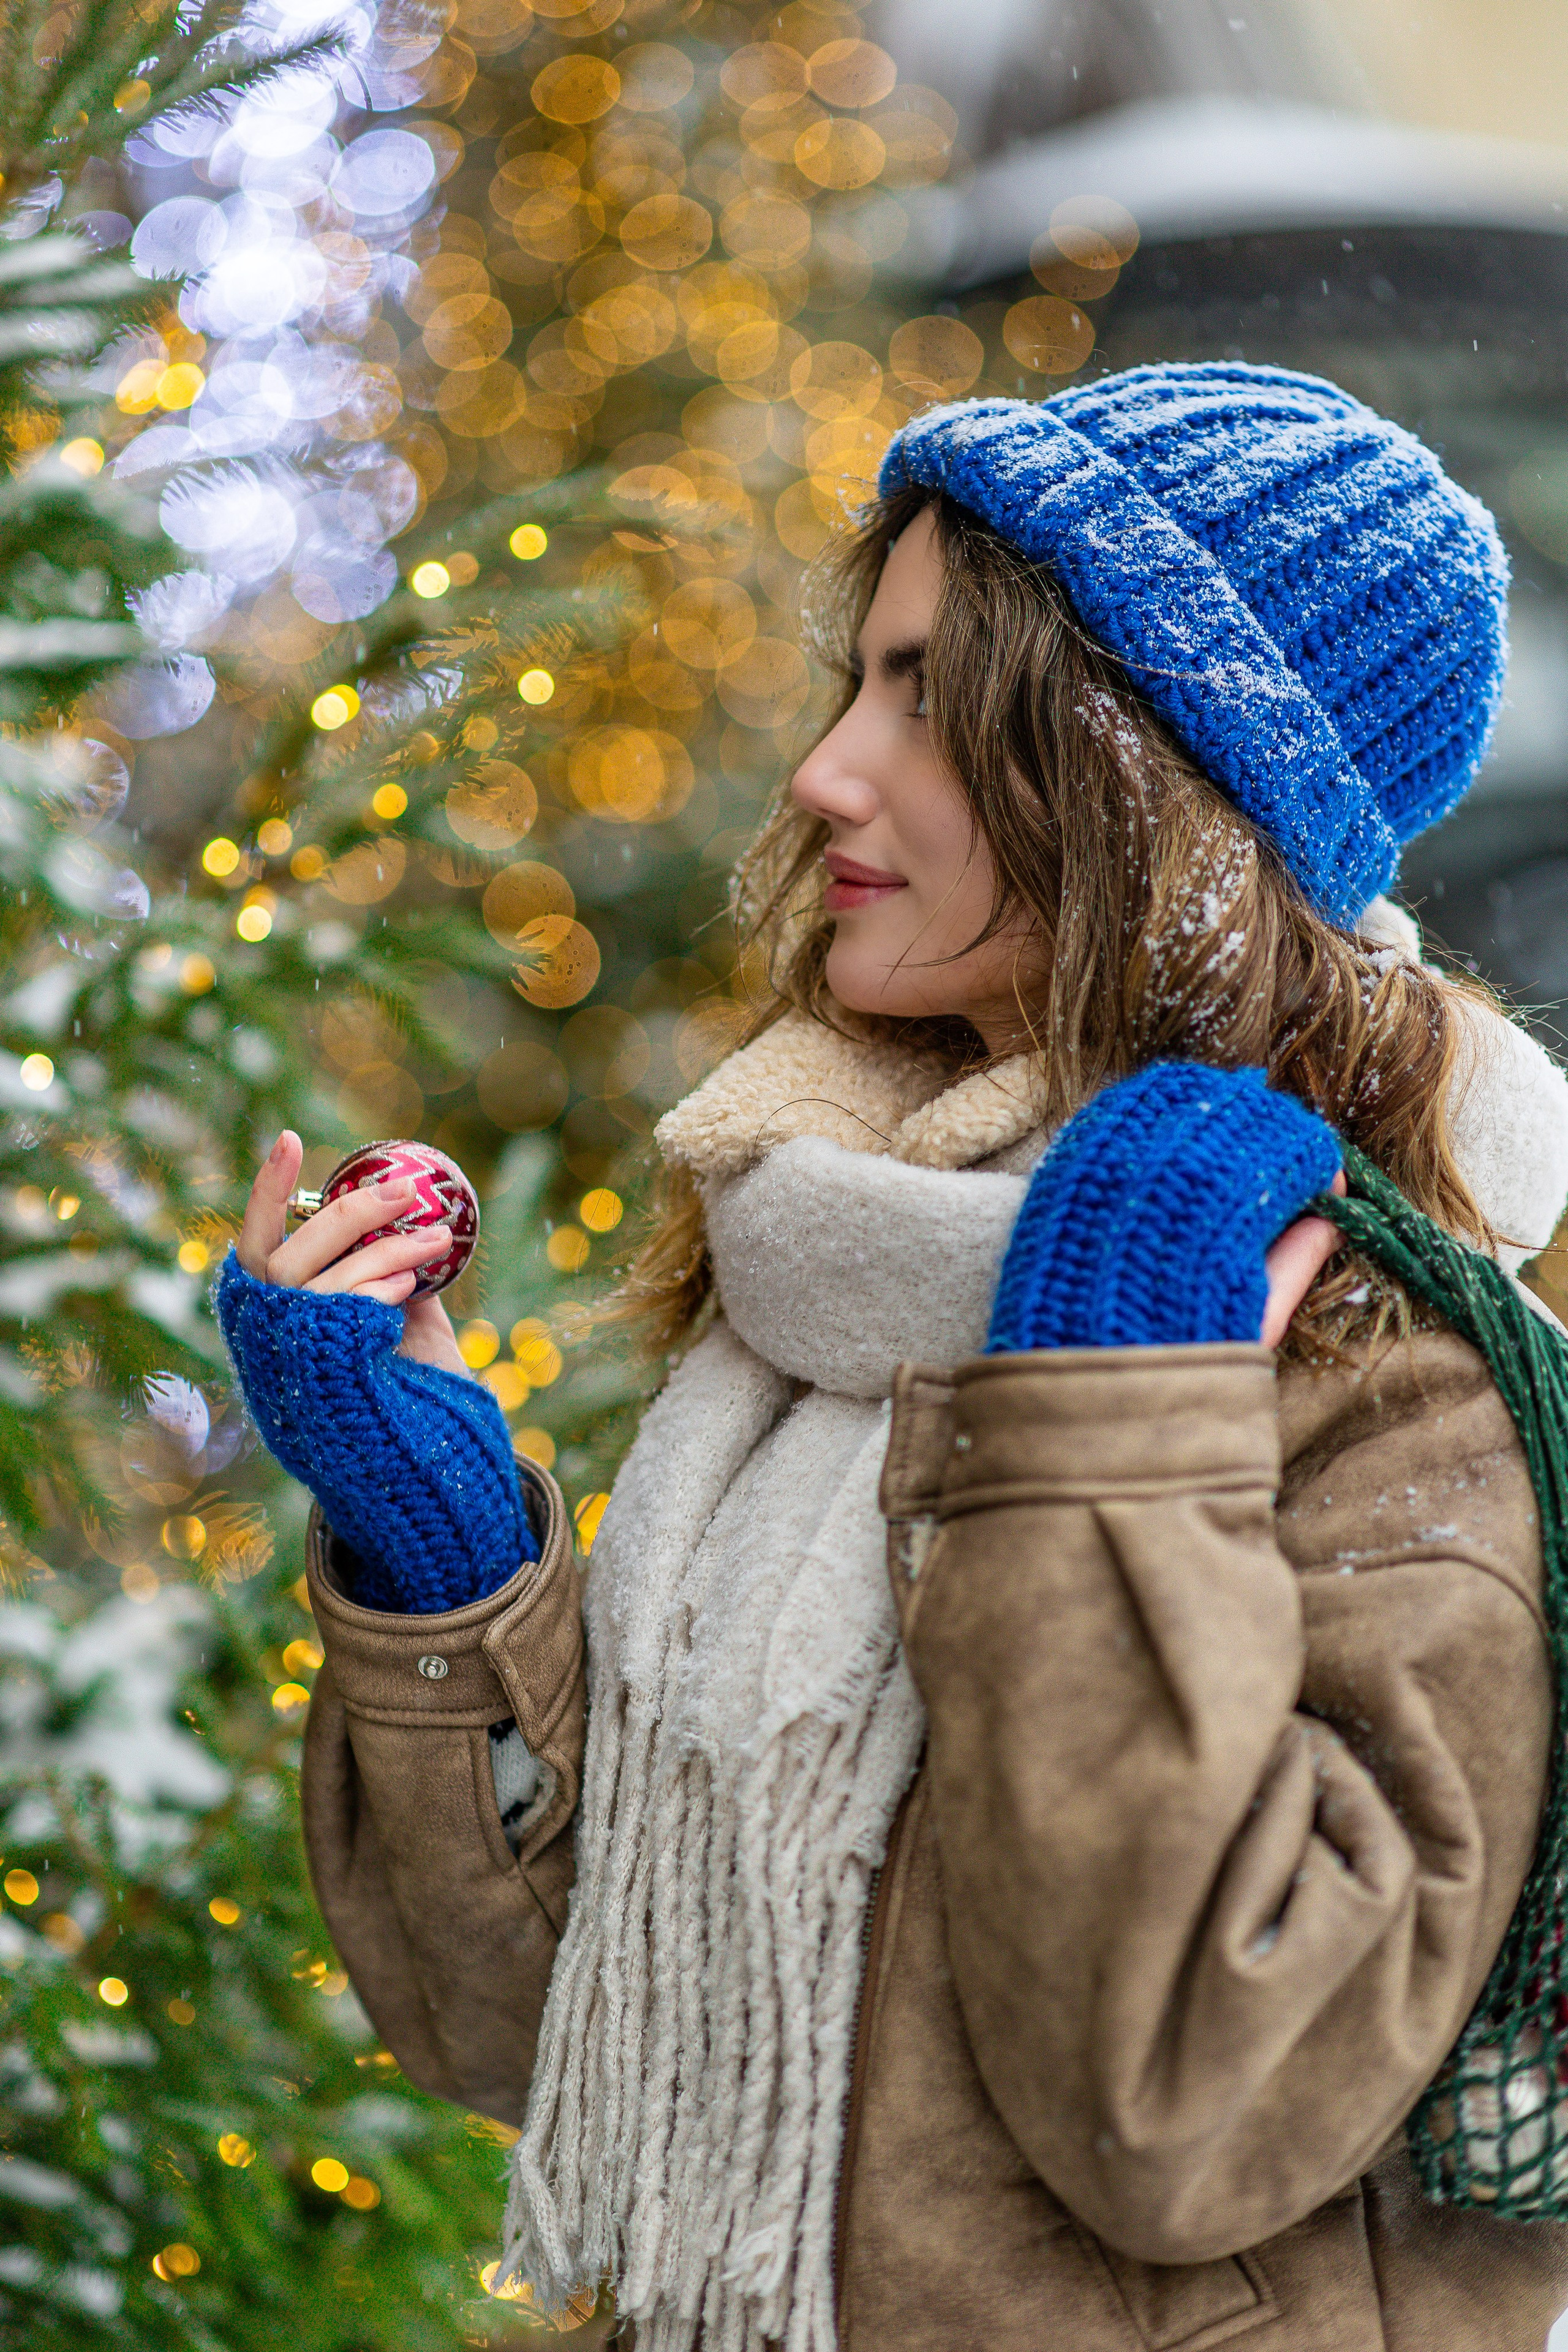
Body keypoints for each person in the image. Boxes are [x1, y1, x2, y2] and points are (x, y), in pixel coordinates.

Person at [218, 362, 1568, 2352]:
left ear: (1148, 777)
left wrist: (1108, 1405)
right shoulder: (838, 1267)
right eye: (856, 683)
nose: (826, 773)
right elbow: (540, 2035)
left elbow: (1187, 2112)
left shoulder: (1400, 1377)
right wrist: (443, 1560)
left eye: (930, 700)